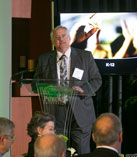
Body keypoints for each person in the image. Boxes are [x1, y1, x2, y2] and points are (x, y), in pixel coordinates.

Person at [35, 25, 102, 154]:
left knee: (82, 152)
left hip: (80, 112)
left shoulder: (85, 56)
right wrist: (47, 89)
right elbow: (36, 83)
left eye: (64, 36)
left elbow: (96, 80)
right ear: (53, 41)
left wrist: (83, 89)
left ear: (70, 37)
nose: (62, 39)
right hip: (56, 112)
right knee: (57, 152)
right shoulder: (44, 59)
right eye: (57, 37)